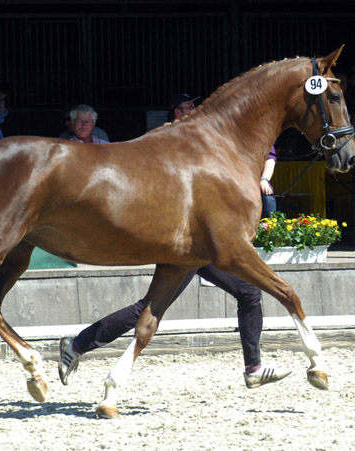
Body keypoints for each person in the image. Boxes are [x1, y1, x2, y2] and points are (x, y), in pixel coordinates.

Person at [59, 94, 291, 390]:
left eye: (193, 106)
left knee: (248, 292)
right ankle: (78, 344)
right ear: (176, 112)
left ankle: (253, 367)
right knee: (149, 308)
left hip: (207, 241)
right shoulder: (171, 136)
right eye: (185, 108)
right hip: (185, 241)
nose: (190, 111)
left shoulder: (209, 135)